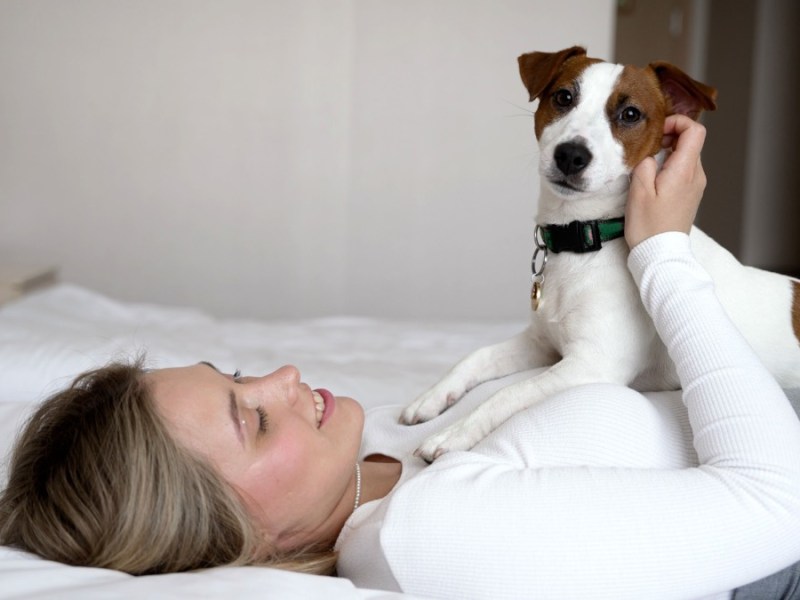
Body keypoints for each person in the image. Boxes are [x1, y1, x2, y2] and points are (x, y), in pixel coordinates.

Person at [1, 115, 799, 599]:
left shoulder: (368, 449)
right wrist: (662, 256)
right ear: (247, 537)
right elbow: (776, 504)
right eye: (253, 421)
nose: (284, 379)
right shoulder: (425, 540)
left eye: (238, 377)